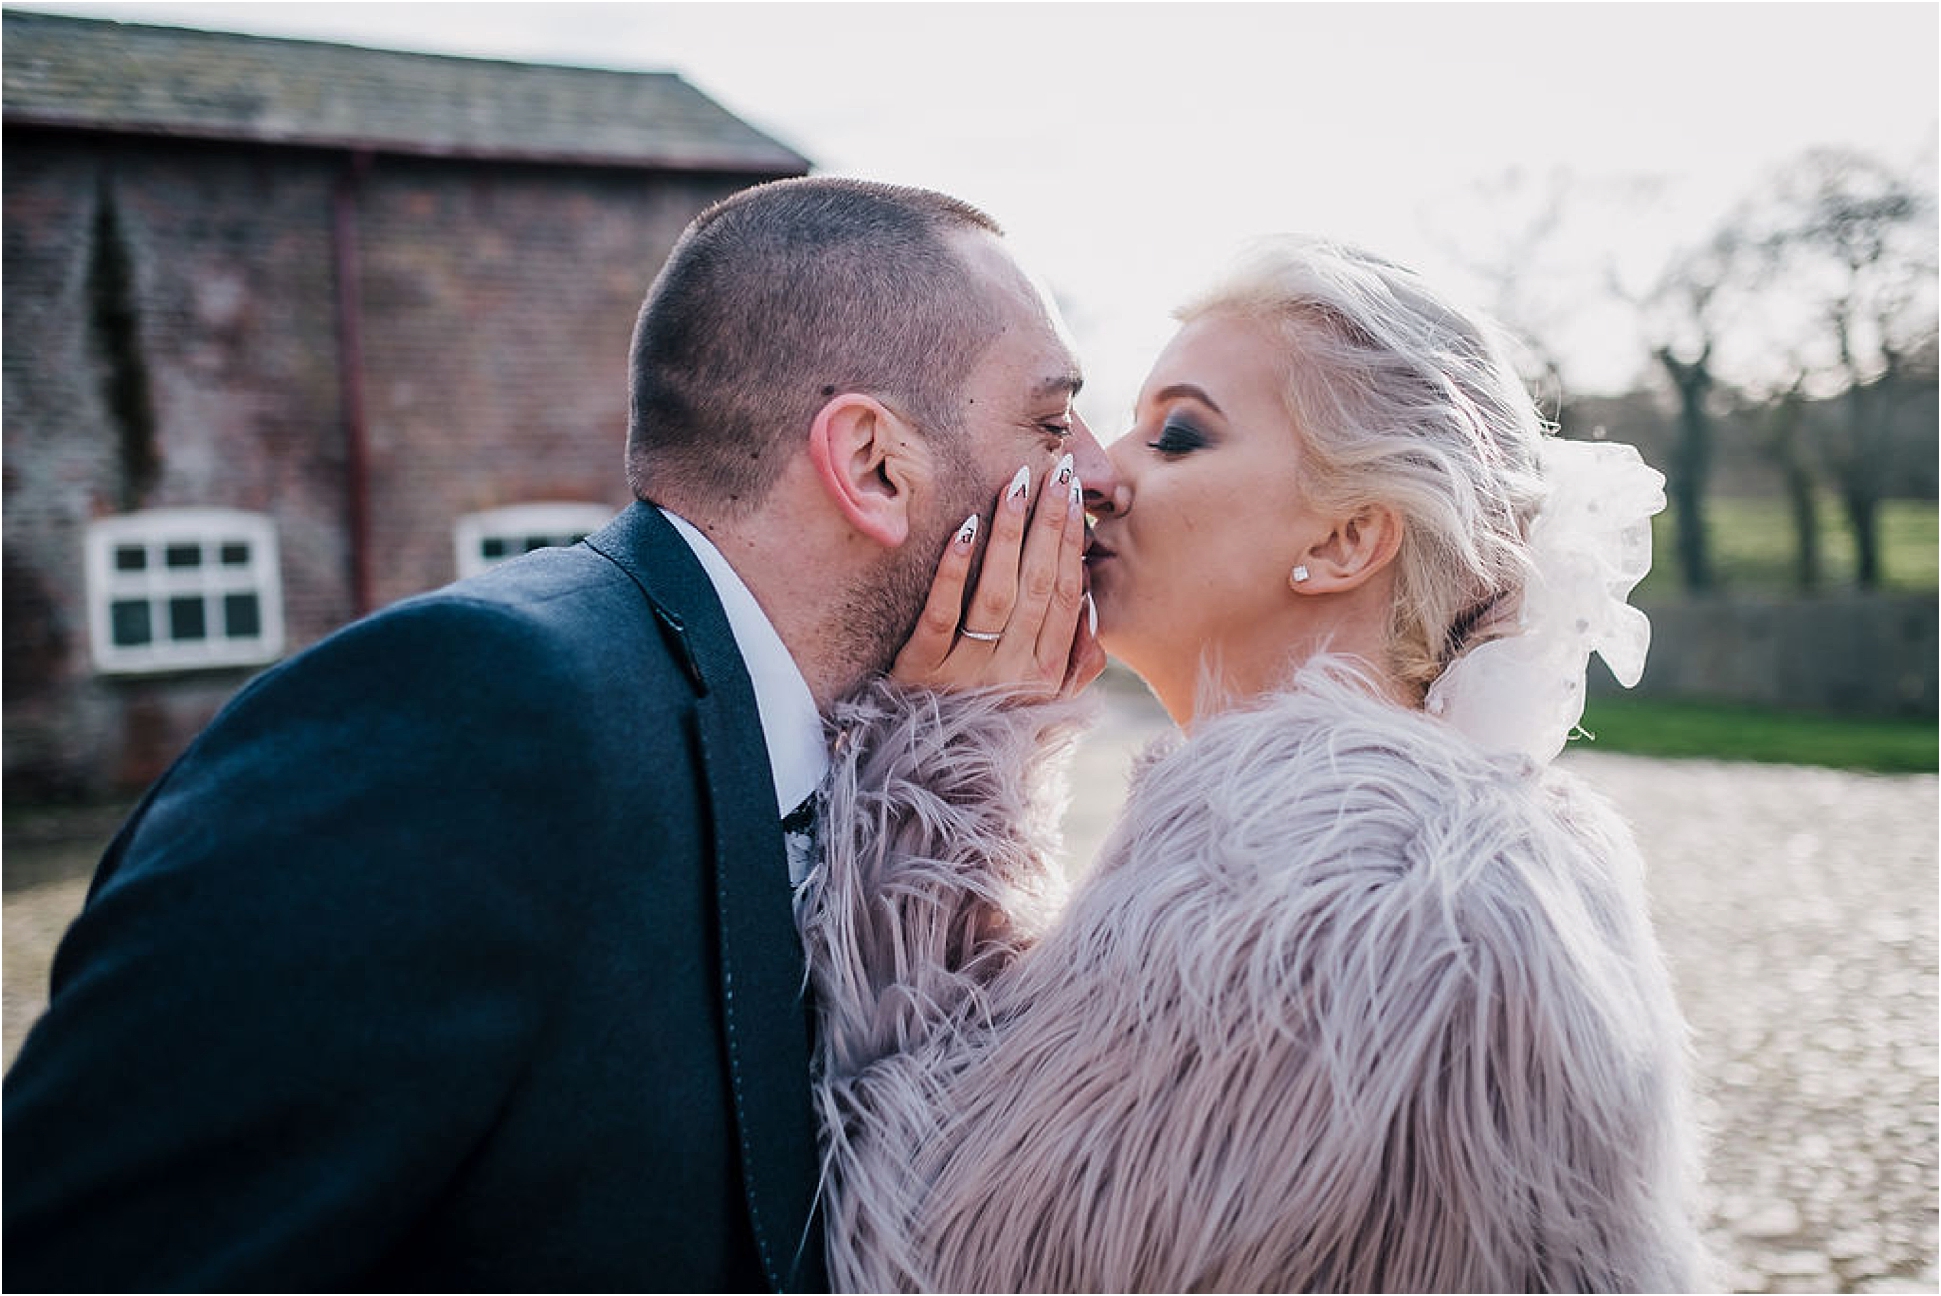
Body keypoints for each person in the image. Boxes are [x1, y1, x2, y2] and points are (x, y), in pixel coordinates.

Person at [3, 176, 1121, 1291]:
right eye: (1050, 419)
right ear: (875, 465)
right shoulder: (464, 721)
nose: (1104, 475)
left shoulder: (844, 761)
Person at [798, 236, 1707, 1291]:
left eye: (1178, 436)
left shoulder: (1365, 899)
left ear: (1350, 536)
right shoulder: (1423, 852)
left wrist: (937, 765)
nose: (1096, 473)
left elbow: (917, 1252)